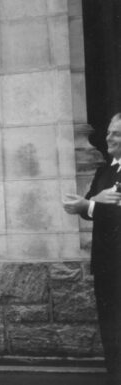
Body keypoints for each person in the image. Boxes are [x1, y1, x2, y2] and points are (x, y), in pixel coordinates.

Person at [62, 113, 121, 384]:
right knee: (110, 326)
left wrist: (90, 205)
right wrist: (89, 203)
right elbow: (89, 207)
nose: (108, 137)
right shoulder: (105, 170)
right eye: (109, 132)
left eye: (116, 134)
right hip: (106, 263)